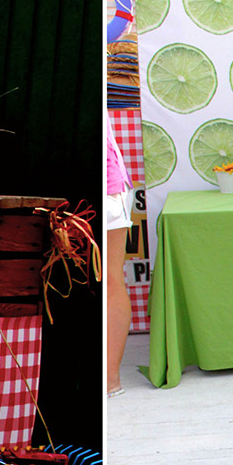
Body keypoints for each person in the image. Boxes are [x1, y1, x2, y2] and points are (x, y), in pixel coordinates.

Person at [105, 132, 132, 395]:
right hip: (111, 185)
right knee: (111, 282)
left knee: (111, 282)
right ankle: (111, 381)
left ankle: (111, 379)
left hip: (110, 187)